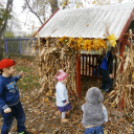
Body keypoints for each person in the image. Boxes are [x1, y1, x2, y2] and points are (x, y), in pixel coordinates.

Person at [0, 59, 31, 134]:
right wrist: (4, 107)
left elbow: (13, 81)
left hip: (17, 104)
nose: (15, 69)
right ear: (5, 69)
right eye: (13, 68)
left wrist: (18, 76)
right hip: (8, 108)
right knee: (7, 124)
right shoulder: (1, 82)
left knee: (21, 118)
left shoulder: (10, 76)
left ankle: (21, 132)